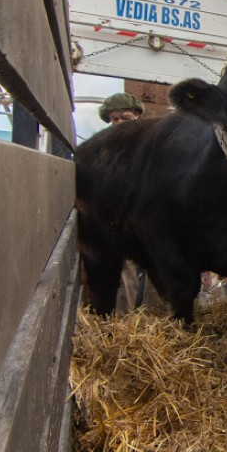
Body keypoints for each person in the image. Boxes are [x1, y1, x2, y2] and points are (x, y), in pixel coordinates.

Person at [97, 92, 161, 313]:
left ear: (137, 118)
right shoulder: (104, 152)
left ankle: (161, 328)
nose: (119, 123)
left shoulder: (153, 148)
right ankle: (123, 328)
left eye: (125, 117)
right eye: (114, 119)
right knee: (124, 271)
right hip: (120, 222)